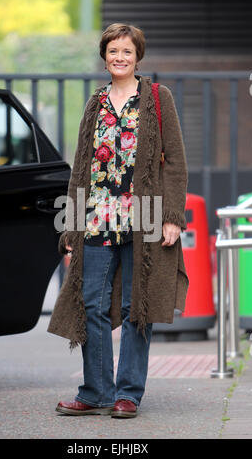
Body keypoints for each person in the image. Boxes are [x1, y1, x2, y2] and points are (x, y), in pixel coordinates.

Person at [48, 23, 189, 418]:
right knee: (89, 303)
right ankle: (95, 391)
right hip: (97, 217)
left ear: (137, 56)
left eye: (127, 51)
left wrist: (172, 217)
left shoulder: (157, 98)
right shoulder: (95, 102)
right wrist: (72, 227)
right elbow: (80, 169)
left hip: (143, 217)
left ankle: (128, 393)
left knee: (135, 307)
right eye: (113, 51)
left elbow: (175, 161)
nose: (120, 57)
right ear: (104, 56)